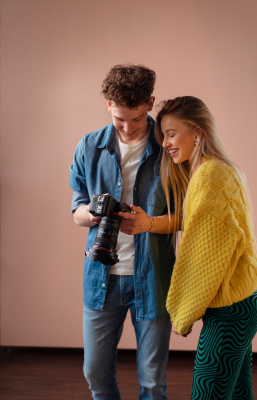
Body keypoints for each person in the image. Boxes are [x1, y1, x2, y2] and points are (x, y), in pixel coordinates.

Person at [69, 64, 177, 400]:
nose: (128, 128)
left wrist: (150, 224)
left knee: (152, 384)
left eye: (135, 117)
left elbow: (187, 216)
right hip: (102, 277)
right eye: (119, 119)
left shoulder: (169, 150)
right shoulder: (89, 147)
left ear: (150, 103)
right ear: (107, 104)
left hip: (152, 277)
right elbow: (76, 210)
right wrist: (94, 214)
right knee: (96, 376)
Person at [155, 96, 257, 400]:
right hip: (245, 302)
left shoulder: (209, 175)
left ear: (198, 132)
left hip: (230, 313)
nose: (165, 143)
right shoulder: (218, 170)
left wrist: (183, 312)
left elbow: (204, 253)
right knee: (239, 395)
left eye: (172, 133)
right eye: (163, 135)